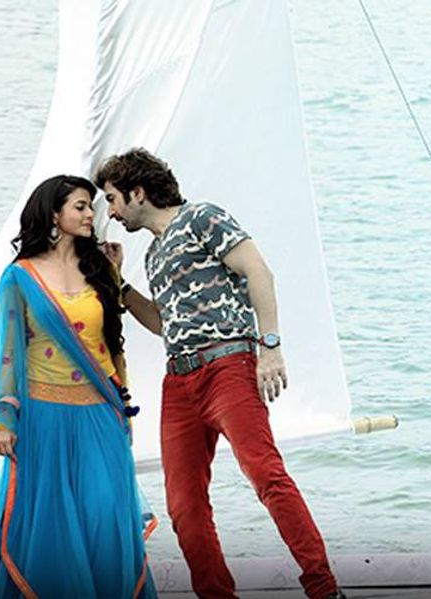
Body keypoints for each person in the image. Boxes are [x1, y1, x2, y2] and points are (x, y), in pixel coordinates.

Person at [95, 148, 344, 599]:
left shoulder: (202, 218)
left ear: (138, 192)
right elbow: (164, 323)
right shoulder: (152, 254)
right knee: (183, 506)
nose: (110, 212)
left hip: (228, 366)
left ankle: (323, 588)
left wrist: (270, 347)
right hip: (179, 381)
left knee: (266, 475)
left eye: (112, 198)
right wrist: (119, 284)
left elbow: (258, 272)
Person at [0, 175, 156, 599]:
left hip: (101, 415)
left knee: (105, 513)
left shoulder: (100, 269)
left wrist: (124, 407)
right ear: (54, 213)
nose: (91, 214)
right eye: (81, 206)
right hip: (44, 418)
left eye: (92, 206)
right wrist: (4, 419)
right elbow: (9, 353)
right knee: (53, 528)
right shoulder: (19, 278)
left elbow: (113, 347)